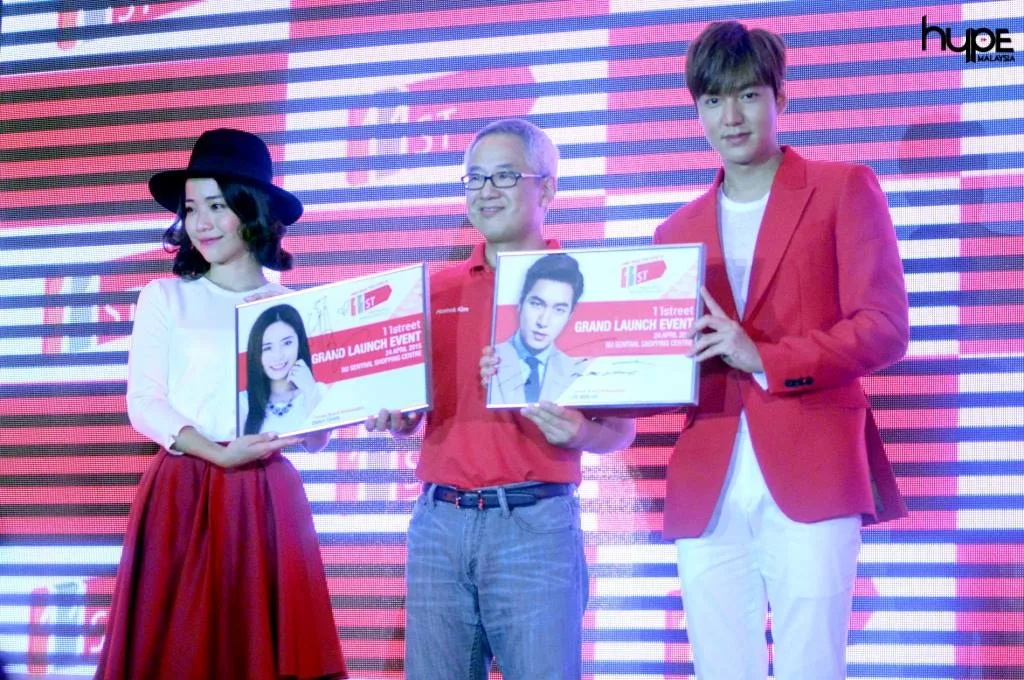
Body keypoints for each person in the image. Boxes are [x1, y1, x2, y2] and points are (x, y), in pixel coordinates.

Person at [652, 21, 910, 680]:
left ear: (780, 98)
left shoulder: (842, 188)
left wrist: (764, 357)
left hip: (814, 464)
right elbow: (658, 363)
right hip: (708, 477)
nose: (730, 117)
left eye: (747, 95)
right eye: (713, 100)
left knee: (811, 665)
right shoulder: (674, 230)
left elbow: (884, 327)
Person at [366, 118, 635, 679]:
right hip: (439, 525)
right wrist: (399, 417)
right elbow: (413, 408)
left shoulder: (585, 286)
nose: (486, 191)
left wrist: (580, 432)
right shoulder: (432, 291)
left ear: (547, 188)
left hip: (534, 525)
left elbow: (621, 430)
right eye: (475, 178)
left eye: (505, 176)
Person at [95, 128, 347, 680]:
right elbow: (145, 403)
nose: (201, 223)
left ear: (252, 211)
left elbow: (314, 430)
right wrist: (216, 453)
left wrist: (332, 410)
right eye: (191, 209)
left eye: (216, 206)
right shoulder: (167, 297)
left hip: (266, 492)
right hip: (184, 488)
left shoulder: (299, 307)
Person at [490, 252, 587, 405]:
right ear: (520, 303)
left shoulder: (578, 372)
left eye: (559, 310)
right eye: (536, 304)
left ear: (570, 316)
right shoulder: (489, 360)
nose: (543, 321)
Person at [240, 303, 327, 435]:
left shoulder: (317, 391)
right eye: (267, 348)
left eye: (287, 343)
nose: (278, 356)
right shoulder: (243, 402)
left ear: (299, 343)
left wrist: (310, 391)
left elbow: (317, 443)